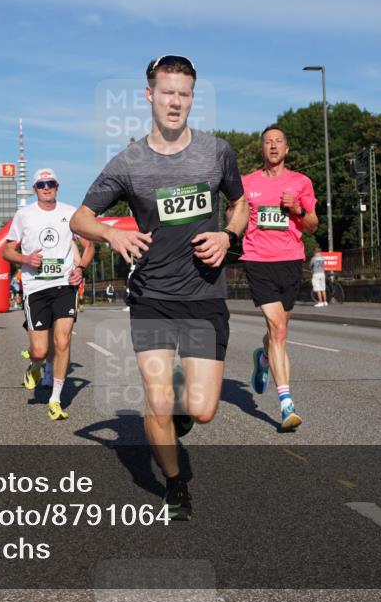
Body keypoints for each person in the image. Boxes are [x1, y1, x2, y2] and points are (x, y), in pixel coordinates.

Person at [71, 55, 247, 520]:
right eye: (167, 92)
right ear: (149, 95)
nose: (175, 102)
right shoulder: (128, 161)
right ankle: (174, 485)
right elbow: (80, 217)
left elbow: (241, 204)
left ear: (193, 97)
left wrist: (228, 235)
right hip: (151, 296)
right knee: (157, 398)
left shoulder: (217, 152)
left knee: (203, 409)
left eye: (184, 94)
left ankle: (182, 407)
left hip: (205, 295)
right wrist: (111, 232)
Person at [240, 125, 319, 431]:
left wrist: (297, 208)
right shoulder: (247, 183)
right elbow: (236, 216)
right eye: (268, 142)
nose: (273, 146)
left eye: (278, 142)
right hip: (258, 261)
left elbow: (312, 225)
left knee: (278, 333)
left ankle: (263, 359)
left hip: (290, 261)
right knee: (280, 330)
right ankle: (287, 406)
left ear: (286, 149)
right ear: (262, 150)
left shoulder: (301, 182)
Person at [5, 168, 93, 421]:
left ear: (57, 186)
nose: (46, 187)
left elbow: (89, 246)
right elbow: (7, 252)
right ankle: (35, 365)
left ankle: (55, 399)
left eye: (50, 183)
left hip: (65, 285)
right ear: (34, 189)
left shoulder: (70, 213)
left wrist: (80, 268)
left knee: (63, 341)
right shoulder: (24, 215)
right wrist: (25, 258)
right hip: (35, 288)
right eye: (41, 184)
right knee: (41, 351)